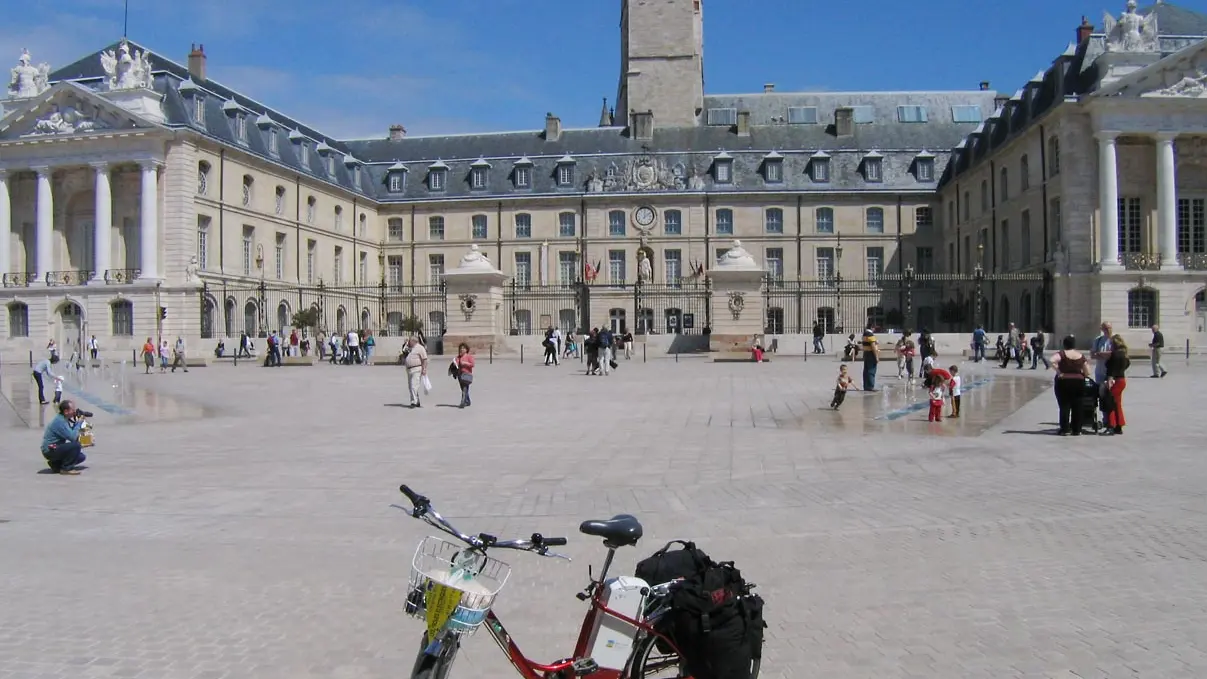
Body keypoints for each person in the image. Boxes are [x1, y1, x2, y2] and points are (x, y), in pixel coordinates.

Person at [1051, 335, 1090, 436]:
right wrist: (1083, 374)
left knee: (1064, 405)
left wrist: (1059, 372)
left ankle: (1065, 429)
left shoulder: (1062, 354)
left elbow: (1052, 360)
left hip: (1064, 381)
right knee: (1078, 405)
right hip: (1078, 382)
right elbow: (1087, 371)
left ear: (1064, 344)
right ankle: (1077, 429)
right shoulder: (1080, 355)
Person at [41, 400, 86, 475]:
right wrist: (78, 424)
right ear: (66, 411)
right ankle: (66, 469)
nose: (74, 412)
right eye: (73, 410)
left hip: (55, 448)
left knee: (80, 457)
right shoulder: (60, 421)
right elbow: (72, 438)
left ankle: (56, 465)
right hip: (50, 450)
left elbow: (70, 434)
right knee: (76, 445)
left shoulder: (63, 419)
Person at [1103, 334, 1130, 435]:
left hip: (1113, 380)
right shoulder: (1124, 354)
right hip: (1121, 379)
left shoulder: (1114, 354)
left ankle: (1112, 425)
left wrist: (1109, 380)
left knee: (1110, 403)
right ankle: (1119, 425)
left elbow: (1110, 369)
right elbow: (1127, 364)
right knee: (1117, 403)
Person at [402, 336, 428, 408]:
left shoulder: (420, 348)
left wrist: (424, 369)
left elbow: (425, 359)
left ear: (413, 341)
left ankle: (414, 402)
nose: (408, 342)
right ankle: (416, 400)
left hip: (417, 369)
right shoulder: (408, 348)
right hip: (409, 369)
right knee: (410, 386)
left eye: (409, 341)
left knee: (414, 385)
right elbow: (404, 355)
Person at [453, 342, 475, 408]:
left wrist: (465, 363)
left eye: (463, 348)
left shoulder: (469, 356)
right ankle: (468, 401)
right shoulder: (458, 357)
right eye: (461, 348)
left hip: (467, 374)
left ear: (466, 349)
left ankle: (463, 402)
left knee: (465, 389)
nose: (462, 349)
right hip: (460, 375)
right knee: (463, 389)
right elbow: (456, 364)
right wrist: (455, 364)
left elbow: (472, 364)